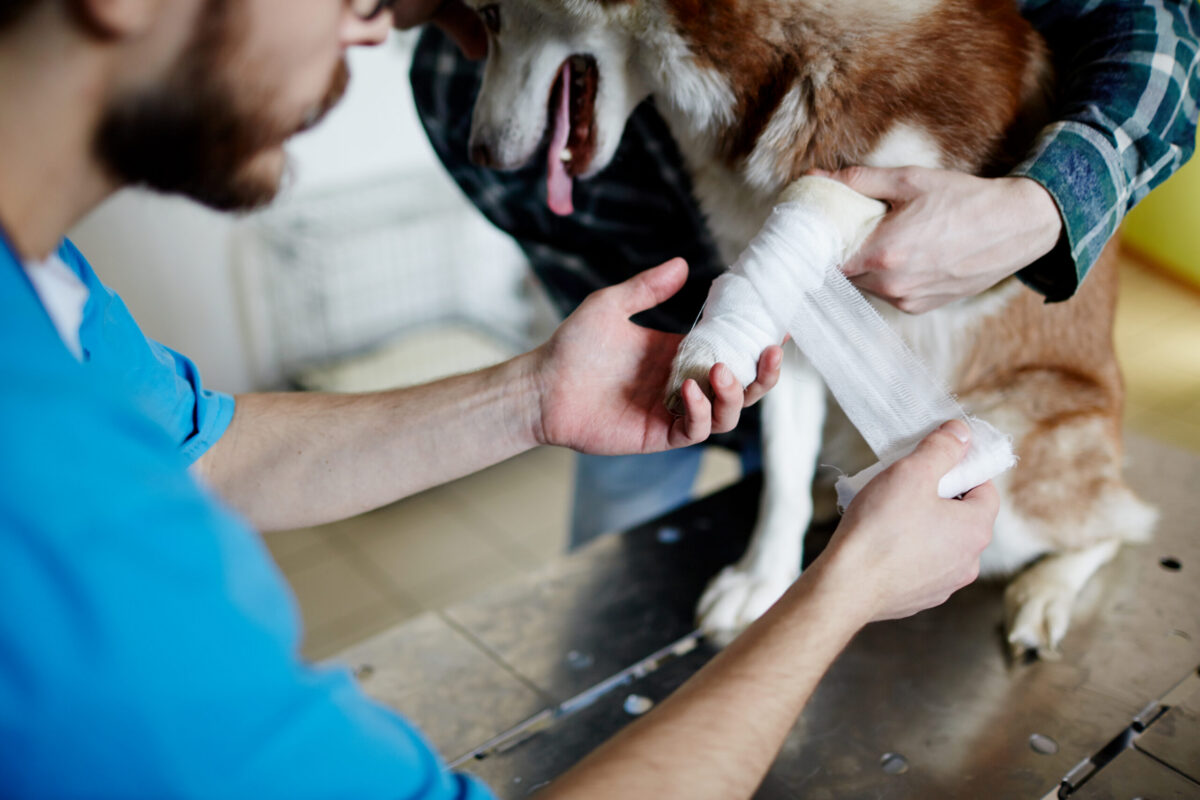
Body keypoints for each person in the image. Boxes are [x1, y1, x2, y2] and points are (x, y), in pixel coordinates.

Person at [0, 1, 1000, 797]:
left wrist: (533, 395)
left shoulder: (45, 295)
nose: (375, 18)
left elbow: (204, 449)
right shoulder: (51, 505)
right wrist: (846, 586)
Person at [410, 0, 1200, 546]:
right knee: (625, 550)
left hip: (946, 388)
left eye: (485, 14)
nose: (473, 43)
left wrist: (1043, 206)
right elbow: (594, 273)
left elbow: (1154, 24)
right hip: (672, 371)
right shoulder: (447, 91)